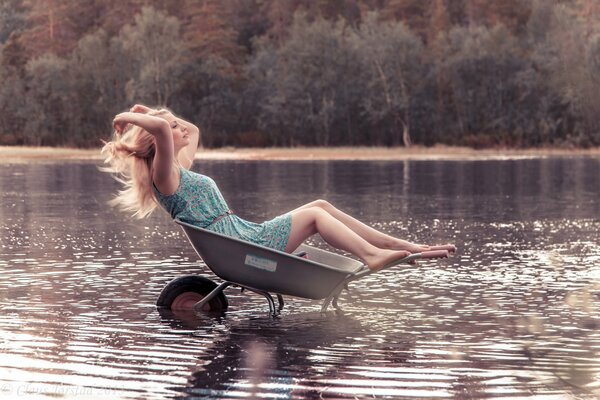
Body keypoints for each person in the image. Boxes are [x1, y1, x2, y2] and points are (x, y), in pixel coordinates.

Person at [102, 104, 436, 271]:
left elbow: (195, 130)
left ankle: (397, 244)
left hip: (243, 237)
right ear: (159, 141)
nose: (182, 131)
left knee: (320, 205)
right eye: (175, 128)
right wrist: (128, 116)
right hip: (241, 246)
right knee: (316, 217)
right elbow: (161, 128)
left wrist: (148, 111)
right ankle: (373, 255)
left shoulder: (178, 169)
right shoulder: (166, 178)